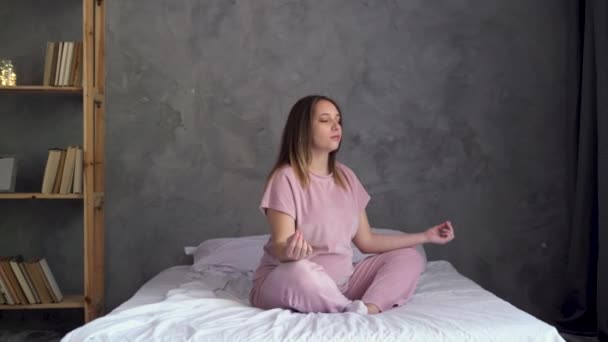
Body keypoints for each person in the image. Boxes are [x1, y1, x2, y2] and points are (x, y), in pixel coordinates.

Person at [249, 95, 455, 314]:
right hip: (287, 278)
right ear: (303, 129)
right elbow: (281, 247)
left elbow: (367, 241)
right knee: (301, 271)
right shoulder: (285, 177)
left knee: (410, 257)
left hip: (344, 284)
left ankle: (368, 310)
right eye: (325, 120)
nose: (336, 126)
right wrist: (292, 252)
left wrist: (425, 236)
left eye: (338, 120)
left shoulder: (346, 176)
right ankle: (346, 310)